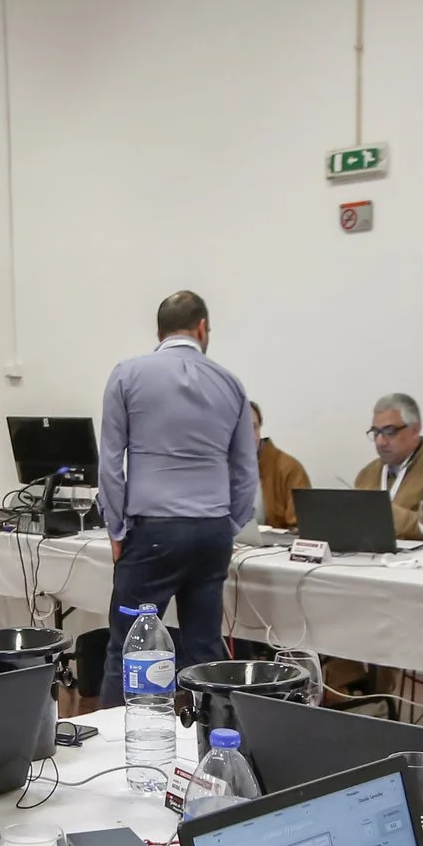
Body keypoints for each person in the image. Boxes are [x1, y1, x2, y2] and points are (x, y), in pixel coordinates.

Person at [95, 290, 258, 706]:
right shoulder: (231, 384)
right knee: (205, 651)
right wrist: (228, 525)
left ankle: (115, 754)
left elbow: (111, 464)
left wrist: (116, 529)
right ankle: (216, 749)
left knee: (128, 649)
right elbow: (245, 471)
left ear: (158, 331)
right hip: (211, 534)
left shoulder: (127, 375)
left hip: (152, 534)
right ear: (202, 328)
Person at [352, 393, 423, 544]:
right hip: (374, 560)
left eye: (389, 432)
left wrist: (387, 514)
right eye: (376, 432)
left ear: (415, 430)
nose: (380, 441)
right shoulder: (367, 473)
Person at [252, 401, 310, 530]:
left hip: (275, 547)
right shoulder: (218, 468)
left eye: (253, 427)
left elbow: (300, 527)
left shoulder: (288, 468)